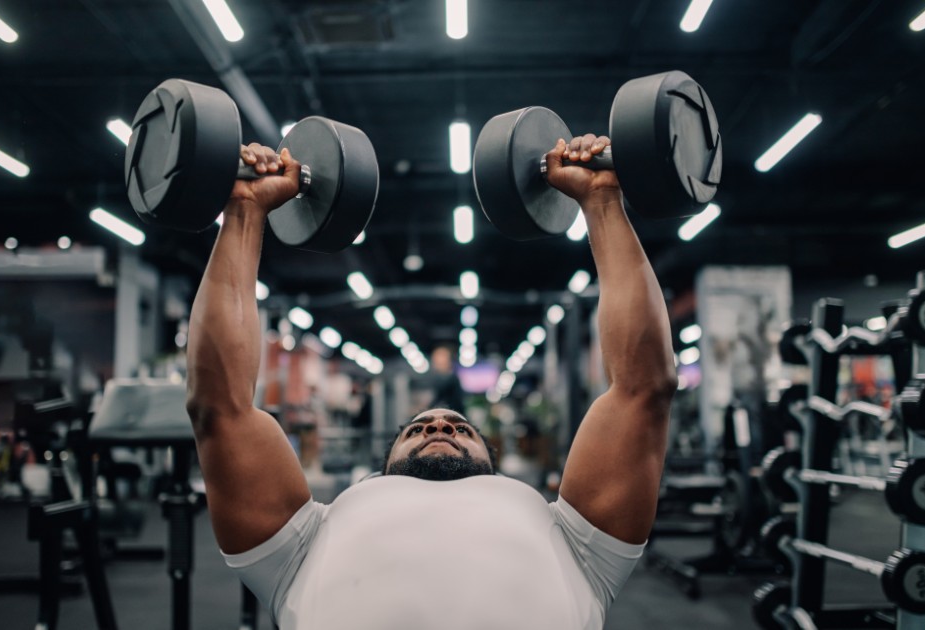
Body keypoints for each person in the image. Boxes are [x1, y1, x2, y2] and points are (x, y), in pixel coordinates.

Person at [185, 134, 677, 629]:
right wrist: (243, 213)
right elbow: (218, 406)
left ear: (495, 465)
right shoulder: (305, 538)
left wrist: (605, 201)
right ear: (380, 469)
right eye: (416, 428)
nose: (438, 425)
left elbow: (645, 386)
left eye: (459, 428)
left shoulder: (575, 540)